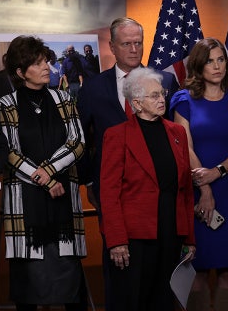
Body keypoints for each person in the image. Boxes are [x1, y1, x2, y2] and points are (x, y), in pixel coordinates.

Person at [77, 16, 179, 311]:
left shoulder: (166, 81)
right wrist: (90, 182)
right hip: (113, 193)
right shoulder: (94, 88)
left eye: (139, 43)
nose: (135, 49)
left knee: (158, 278)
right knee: (120, 270)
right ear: (112, 46)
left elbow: (173, 136)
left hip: (157, 197)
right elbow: (83, 139)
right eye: (127, 44)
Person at [0, 35, 87, 311]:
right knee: (29, 290)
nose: (47, 66)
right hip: (24, 208)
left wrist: (47, 172)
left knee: (71, 289)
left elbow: (78, 142)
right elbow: (10, 153)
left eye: (46, 60)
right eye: (38, 63)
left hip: (64, 208)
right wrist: (45, 181)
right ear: (21, 72)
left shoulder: (64, 99)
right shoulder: (5, 105)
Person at [99, 67, 196, 311]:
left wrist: (189, 238)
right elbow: (109, 194)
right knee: (133, 302)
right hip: (133, 240)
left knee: (164, 302)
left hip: (171, 233)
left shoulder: (177, 133)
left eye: (161, 93)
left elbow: (184, 190)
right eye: (154, 96)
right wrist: (116, 240)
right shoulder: (116, 135)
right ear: (137, 103)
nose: (162, 99)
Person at [170, 37, 228, 311]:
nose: (216, 66)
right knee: (199, 271)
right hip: (195, 188)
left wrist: (218, 172)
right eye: (209, 61)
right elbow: (184, 146)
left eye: (221, 60)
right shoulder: (183, 99)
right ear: (197, 65)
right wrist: (205, 187)